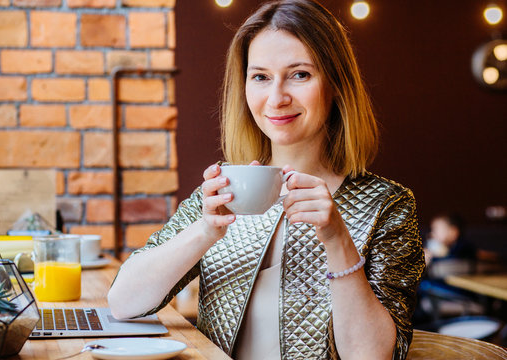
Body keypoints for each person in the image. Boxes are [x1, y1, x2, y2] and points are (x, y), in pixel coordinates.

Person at [108, 1, 425, 359]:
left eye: (300, 74)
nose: (276, 98)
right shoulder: (221, 193)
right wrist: (205, 230)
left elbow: (372, 356)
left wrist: (337, 238)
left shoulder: (387, 205)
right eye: (260, 77)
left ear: (336, 85)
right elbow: (123, 303)